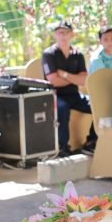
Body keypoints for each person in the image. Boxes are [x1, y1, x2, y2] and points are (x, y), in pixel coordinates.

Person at [41, 20, 96, 157]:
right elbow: (53, 81)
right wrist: (73, 78)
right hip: (56, 95)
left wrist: (64, 74)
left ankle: (92, 141)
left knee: (97, 105)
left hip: (74, 94)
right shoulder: (49, 54)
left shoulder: (78, 55)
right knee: (62, 109)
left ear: (72, 35)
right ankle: (63, 147)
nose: (63, 36)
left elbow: (83, 80)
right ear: (55, 35)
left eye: (66, 33)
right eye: (60, 33)